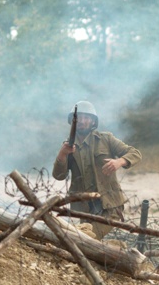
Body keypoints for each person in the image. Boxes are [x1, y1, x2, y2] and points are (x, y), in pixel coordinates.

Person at [52, 101, 142, 240]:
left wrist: (119, 162)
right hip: (85, 209)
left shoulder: (106, 139)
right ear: (72, 121)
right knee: (85, 241)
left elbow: (135, 153)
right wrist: (62, 154)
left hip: (109, 206)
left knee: (85, 238)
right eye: (79, 118)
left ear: (93, 122)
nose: (82, 121)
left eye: (86, 117)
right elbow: (59, 176)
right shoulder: (68, 146)